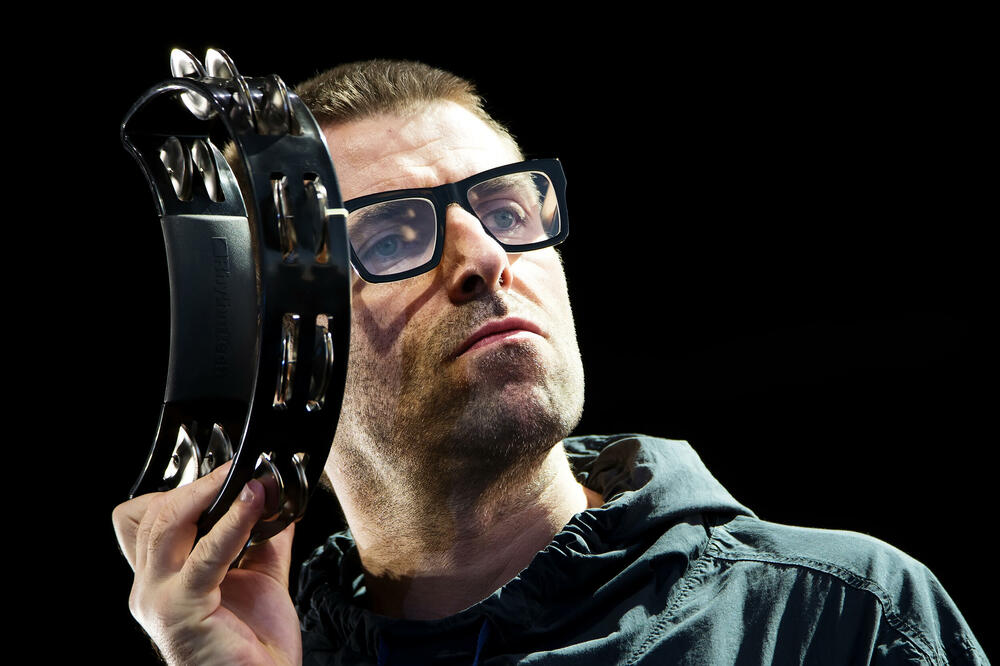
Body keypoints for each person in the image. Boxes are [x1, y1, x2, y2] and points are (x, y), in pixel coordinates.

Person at [112, 59, 988, 665]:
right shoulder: (265, 653)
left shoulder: (840, 619)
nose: (488, 257)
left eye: (505, 210)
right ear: (286, 344)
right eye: (391, 234)